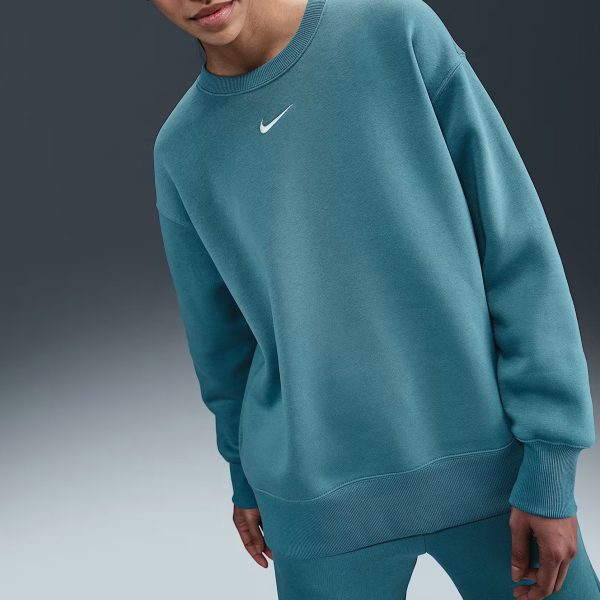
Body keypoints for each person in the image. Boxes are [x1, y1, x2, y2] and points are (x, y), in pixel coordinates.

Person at [149, 0, 600, 598]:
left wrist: (551, 460)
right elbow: (219, 343)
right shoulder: (182, 149)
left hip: (499, 475)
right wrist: (243, 475)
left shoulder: (396, 30)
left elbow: (515, 244)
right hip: (318, 502)